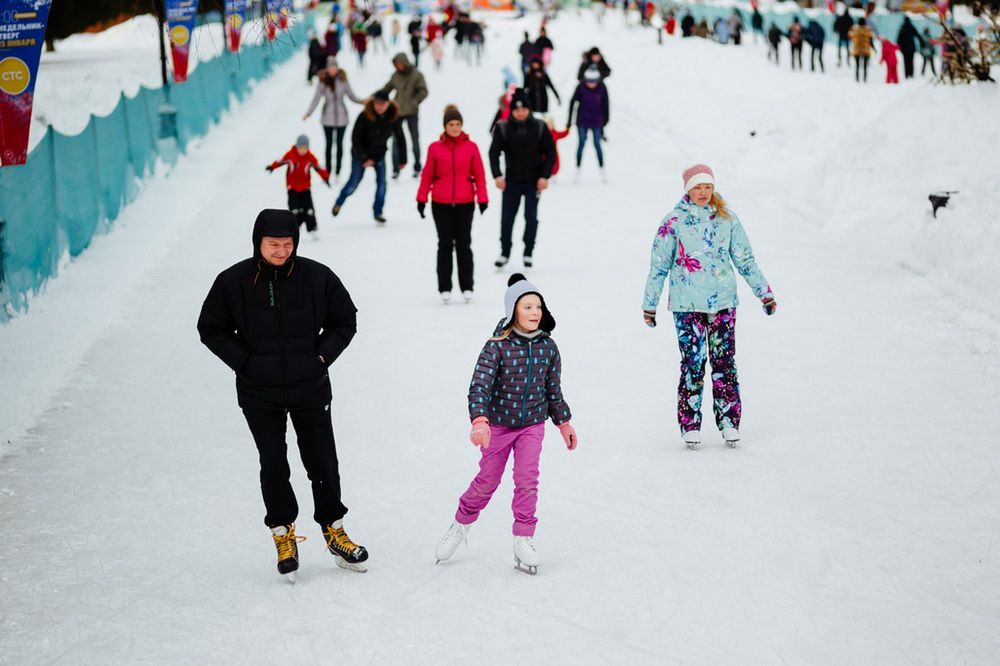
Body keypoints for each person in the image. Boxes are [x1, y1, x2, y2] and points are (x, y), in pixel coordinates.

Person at [197, 209, 368, 581]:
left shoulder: (317, 277)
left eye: (288, 245)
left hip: (310, 387)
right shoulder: (234, 280)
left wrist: (321, 356)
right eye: (273, 244)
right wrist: (245, 362)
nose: (281, 251)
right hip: (259, 392)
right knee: (274, 462)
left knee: (322, 462)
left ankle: (334, 530)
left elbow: (345, 319)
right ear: (258, 242)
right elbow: (210, 327)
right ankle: (283, 534)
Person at [433, 273, 577, 575]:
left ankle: (523, 538)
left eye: (538, 306)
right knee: (487, 482)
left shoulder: (548, 348)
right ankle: (460, 525)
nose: (534, 313)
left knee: (527, 481)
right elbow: (479, 386)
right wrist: (480, 421)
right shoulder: (496, 346)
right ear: (513, 311)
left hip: (532, 425)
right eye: (526, 307)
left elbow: (553, 389)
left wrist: (563, 422)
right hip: (498, 426)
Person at [642, 164, 775, 449]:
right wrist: (649, 304)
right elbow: (658, 266)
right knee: (693, 362)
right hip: (686, 303)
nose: (703, 192)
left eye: (707, 187)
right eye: (697, 187)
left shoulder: (727, 219)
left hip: (723, 302)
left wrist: (764, 294)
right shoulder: (674, 221)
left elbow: (745, 259)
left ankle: (729, 421)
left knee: (724, 362)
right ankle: (690, 423)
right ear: (687, 189)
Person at [416, 105, 489, 303]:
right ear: (445, 126)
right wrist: (421, 198)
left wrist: (482, 198)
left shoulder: (471, 147)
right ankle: (444, 287)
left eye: (458, 124)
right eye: (451, 124)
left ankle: (467, 286)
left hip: (466, 202)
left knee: (464, 244)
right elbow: (428, 174)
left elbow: (480, 174)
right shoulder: (435, 148)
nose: (455, 128)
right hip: (441, 203)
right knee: (445, 244)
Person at [488, 89, 556, 269]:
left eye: (524, 109)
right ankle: (505, 252)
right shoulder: (503, 127)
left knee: (531, 218)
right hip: (511, 181)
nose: (520, 112)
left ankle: (528, 252)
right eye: (517, 109)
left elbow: (550, 152)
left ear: (529, 109)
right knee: (507, 219)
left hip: (533, 182)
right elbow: (494, 152)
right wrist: (497, 175)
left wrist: (544, 176)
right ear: (511, 110)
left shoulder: (539, 126)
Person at [332, 91, 405, 224]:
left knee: (382, 184)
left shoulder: (393, 116)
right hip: (360, 155)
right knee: (353, 184)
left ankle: (378, 212)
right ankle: (339, 202)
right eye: (377, 104)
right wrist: (365, 158)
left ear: (388, 104)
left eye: (382, 104)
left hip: (379, 155)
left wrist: (403, 159)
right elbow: (355, 138)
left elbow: (400, 138)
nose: (379, 107)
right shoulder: (365, 115)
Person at [303, 57, 364, 177]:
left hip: (342, 118)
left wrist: (363, 102)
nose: (333, 70)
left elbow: (352, 96)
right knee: (329, 145)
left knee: (340, 144)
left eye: (334, 67)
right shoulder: (323, 81)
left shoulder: (343, 80)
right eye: (331, 67)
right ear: (327, 68)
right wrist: (308, 113)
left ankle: (338, 169)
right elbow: (316, 99)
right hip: (327, 118)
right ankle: (329, 169)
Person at [265, 135, 330, 240]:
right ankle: (293, 230)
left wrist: (325, 177)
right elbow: (280, 161)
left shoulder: (310, 157)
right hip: (293, 187)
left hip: (305, 188)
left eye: (305, 148)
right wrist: (272, 166)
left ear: (308, 148)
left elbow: (319, 167)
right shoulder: (291, 155)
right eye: (300, 147)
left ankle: (312, 228)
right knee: (294, 210)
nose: (302, 150)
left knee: (308, 209)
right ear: (297, 146)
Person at [378, 53, 429, 179]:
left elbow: (424, 91)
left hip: (412, 112)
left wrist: (415, 101)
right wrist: (376, 97)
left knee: (414, 140)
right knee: (396, 141)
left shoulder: (417, 75)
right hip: (398, 113)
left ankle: (417, 166)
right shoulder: (395, 76)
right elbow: (386, 89)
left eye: (400, 64)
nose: (399, 66)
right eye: (396, 64)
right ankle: (396, 169)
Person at [566, 67, 609, 179]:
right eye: (589, 81)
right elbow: (572, 102)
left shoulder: (602, 88)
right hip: (582, 120)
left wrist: (605, 120)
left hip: (596, 121)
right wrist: (569, 120)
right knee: (581, 144)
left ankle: (602, 169)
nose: (591, 84)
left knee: (597, 144)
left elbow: (606, 104)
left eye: (593, 81)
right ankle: (577, 168)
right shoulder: (580, 87)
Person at [849, 17, 876, 83]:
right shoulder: (868, 31)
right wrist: (874, 48)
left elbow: (850, 36)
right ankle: (864, 80)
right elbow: (871, 41)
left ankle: (857, 80)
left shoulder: (855, 31)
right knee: (864, 66)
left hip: (857, 50)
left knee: (857, 66)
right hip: (866, 50)